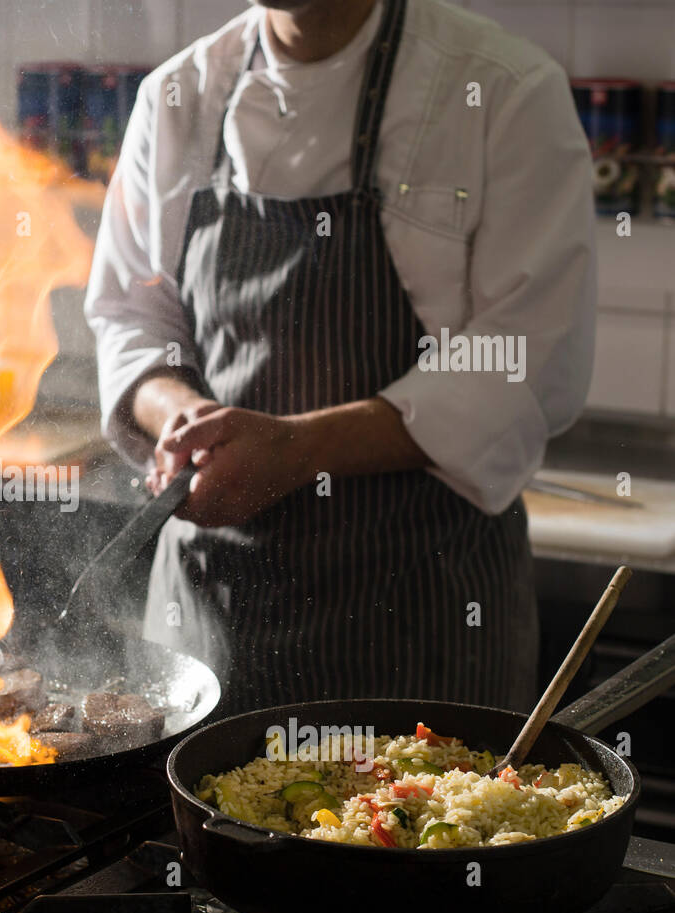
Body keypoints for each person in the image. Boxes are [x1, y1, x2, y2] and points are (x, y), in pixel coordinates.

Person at [85, 0, 597, 715]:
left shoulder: (501, 91)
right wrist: (185, 415)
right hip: (213, 619)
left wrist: (300, 449)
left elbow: (527, 361)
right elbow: (130, 317)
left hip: (421, 621)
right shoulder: (180, 95)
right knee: (195, 830)